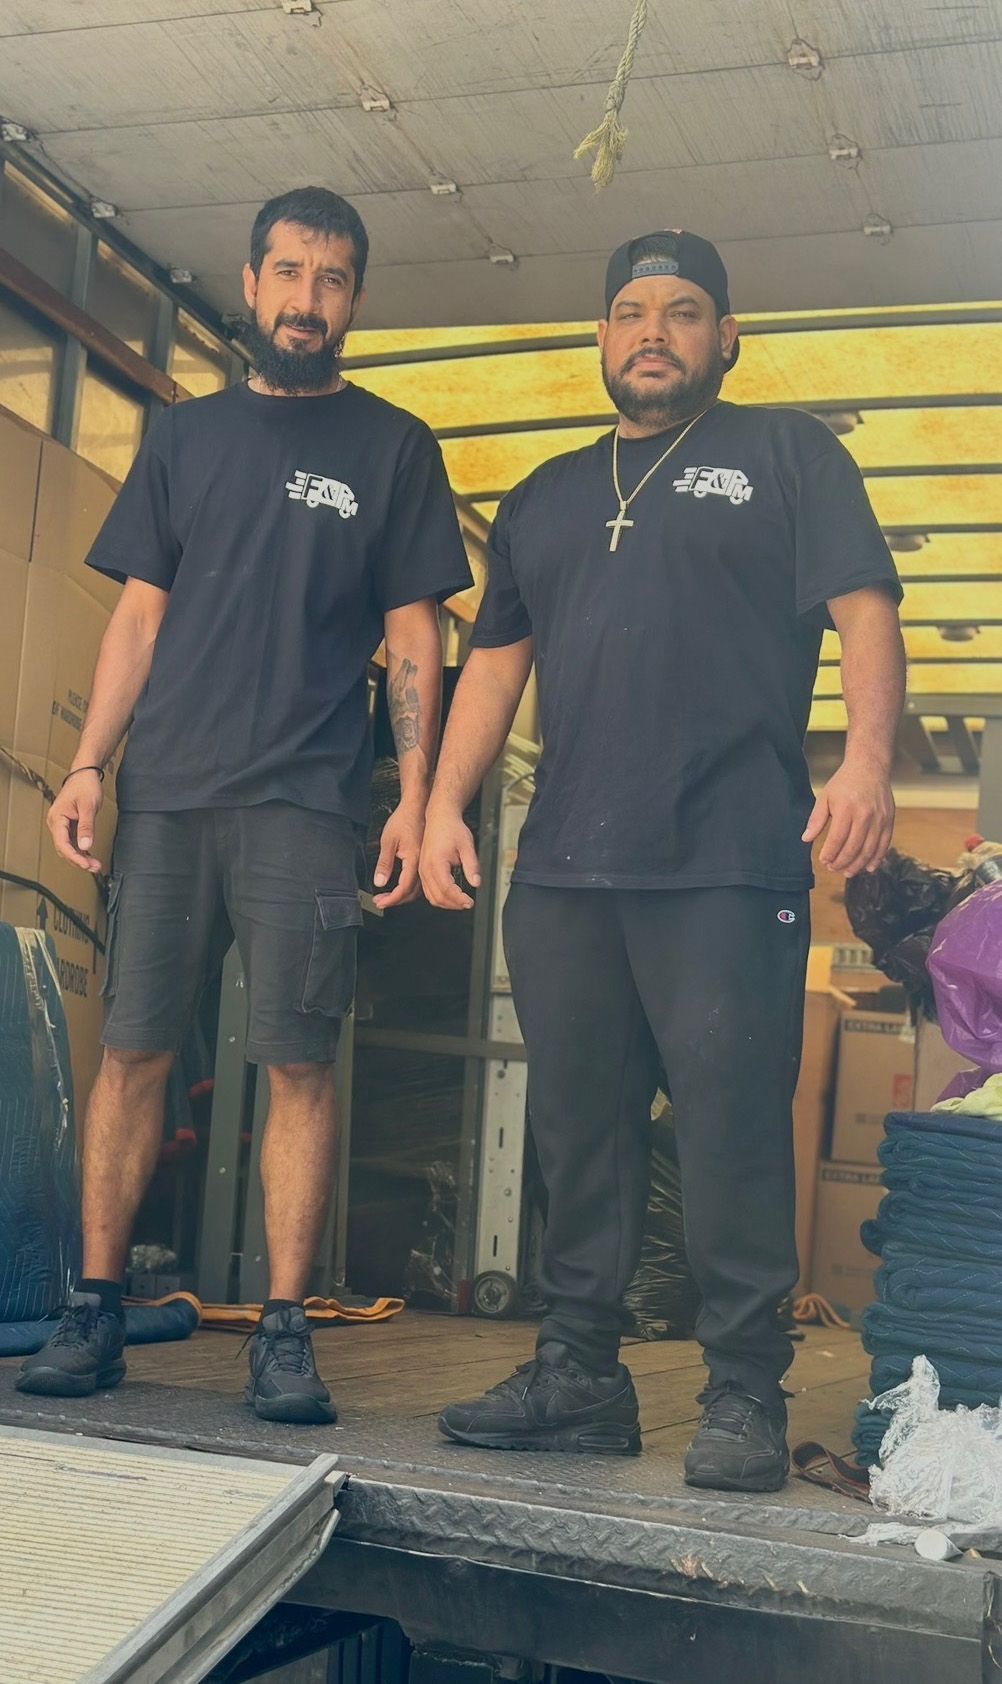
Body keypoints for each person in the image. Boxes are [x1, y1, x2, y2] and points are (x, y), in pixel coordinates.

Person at [421, 230, 906, 1492]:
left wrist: (863, 764)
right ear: (600, 337)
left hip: (729, 858)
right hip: (570, 867)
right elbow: (493, 666)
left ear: (726, 336)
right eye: (631, 310)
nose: (653, 330)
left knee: (729, 1126)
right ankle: (580, 1372)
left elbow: (866, 610)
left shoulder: (791, 457)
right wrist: (436, 805)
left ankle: (744, 1388)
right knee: (581, 1132)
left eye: (683, 311)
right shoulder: (544, 495)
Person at [18, 186, 472, 1419]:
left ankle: (280, 1332)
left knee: (299, 1065)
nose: (306, 301)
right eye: (288, 274)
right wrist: (88, 764)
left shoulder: (393, 447)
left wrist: (414, 794)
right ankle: (95, 1311)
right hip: (166, 799)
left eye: (331, 280)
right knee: (131, 1053)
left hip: (307, 806)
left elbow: (415, 637)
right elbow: (138, 618)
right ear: (253, 278)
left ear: (354, 299)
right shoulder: (182, 438)